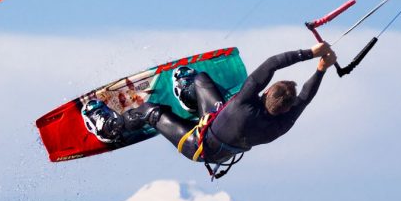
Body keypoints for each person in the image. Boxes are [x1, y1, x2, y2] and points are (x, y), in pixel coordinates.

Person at [83, 42, 337, 172]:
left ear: (267, 91)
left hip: (198, 146)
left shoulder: (244, 102)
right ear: (287, 108)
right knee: (200, 79)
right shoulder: (280, 126)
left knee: (153, 111)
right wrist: (321, 71)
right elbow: (305, 97)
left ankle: (110, 126)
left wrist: (311, 54)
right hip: (218, 128)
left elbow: (271, 64)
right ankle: (189, 98)